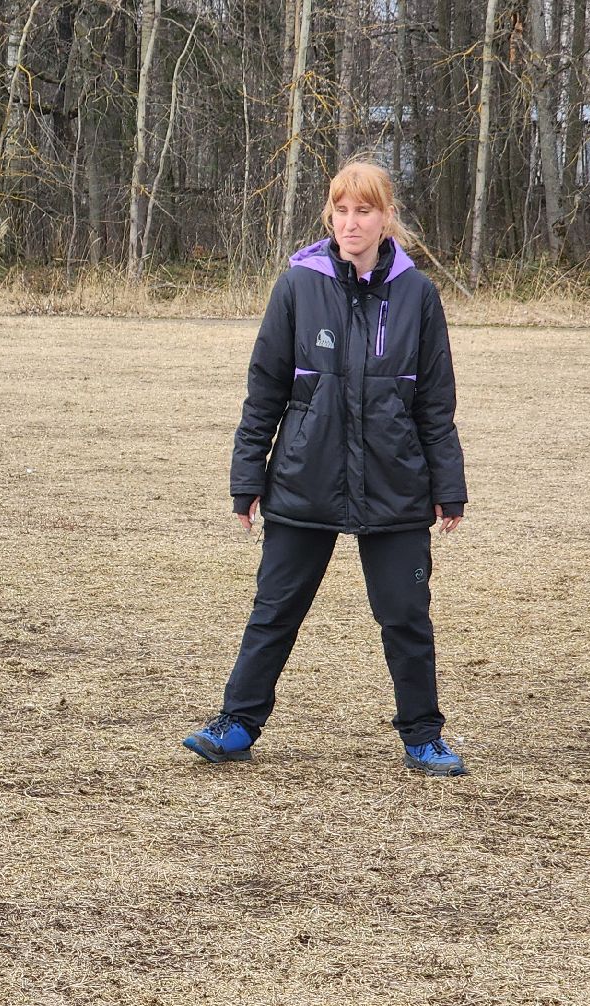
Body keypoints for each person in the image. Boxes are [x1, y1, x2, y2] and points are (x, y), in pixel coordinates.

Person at [183, 157, 470, 776]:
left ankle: (423, 735)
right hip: (303, 478)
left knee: (406, 617)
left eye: (364, 210)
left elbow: (436, 401)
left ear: (387, 217)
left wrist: (449, 487)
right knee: (275, 609)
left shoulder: (418, 294)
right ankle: (237, 723)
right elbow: (264, 389)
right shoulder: (297, 285)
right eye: (341, 210)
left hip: (394, 483)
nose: (350, 222)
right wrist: (247, 478)